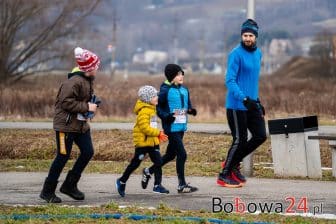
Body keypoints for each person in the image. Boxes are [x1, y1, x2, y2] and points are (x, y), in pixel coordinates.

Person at [40, 47, 100, 203]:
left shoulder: (87, 80)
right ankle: (47, 191)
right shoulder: (73, 82)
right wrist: (87, 107)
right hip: (65, 126)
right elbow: (65, 102)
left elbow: (80, 101)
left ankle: (69, 185)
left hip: (80, 125)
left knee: (88, 152)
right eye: (95, 66)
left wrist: (91, 105)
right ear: (88, 69)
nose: (98, 68)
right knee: (62, 156)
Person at [217, 19, 267, 188]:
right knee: (240, 139)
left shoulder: (258, 54)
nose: (247, 38)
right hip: (237, 105)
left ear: (256, 37)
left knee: (260, 135)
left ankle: (232, 164)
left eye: (250, 35)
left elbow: (252, 81)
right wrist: (244, 98)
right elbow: (230, 80)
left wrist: (257, 101)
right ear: (241, 36)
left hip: (252, 104)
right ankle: (224, 175)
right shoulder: (236, 54)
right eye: (245, 35)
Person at [142, 64, 198, 193]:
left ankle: (148, 171)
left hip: (181, 127)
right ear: (172, 76)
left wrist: (190, 110)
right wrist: (166, 117)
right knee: (182, 154)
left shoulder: (184, 89)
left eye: (182, 74)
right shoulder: (165, 90)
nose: (181, 76)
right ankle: (182, 184)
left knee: (170, 155)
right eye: (178, 74)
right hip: (171, 128)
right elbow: (158, 107)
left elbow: (187, 105)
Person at [115, 85, 169, 197]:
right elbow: (144, 128)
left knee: (159, 162)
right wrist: (158, 133)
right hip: (143, 143)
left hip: (152, 142)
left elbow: (152, 127)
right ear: (148, 99)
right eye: (154, 96)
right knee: (135, 163)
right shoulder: (144, 111)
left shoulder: (152, 110)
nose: (157, 98)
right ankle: (121, 181)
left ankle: (157, 185)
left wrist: (157, 136)